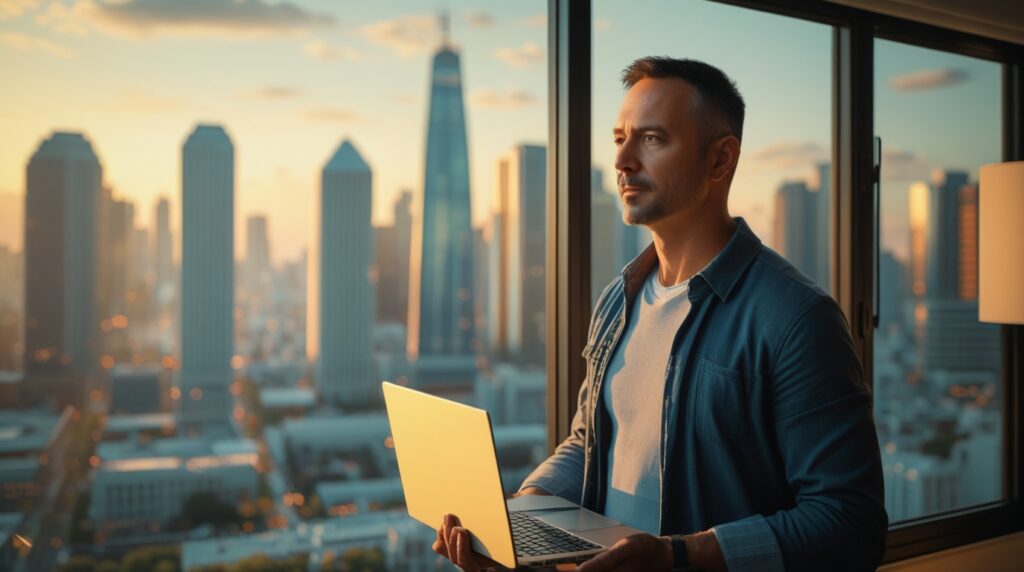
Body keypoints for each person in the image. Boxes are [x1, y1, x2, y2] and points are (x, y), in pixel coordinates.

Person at [434, 56, 887, 572]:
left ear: (720, 161)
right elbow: (589, 443)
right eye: (619, 138)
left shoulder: (797, 319)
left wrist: (678, 556)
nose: (623, 160)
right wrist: (518, 517)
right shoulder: (616, 301)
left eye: (652, 139)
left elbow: (850, 525)